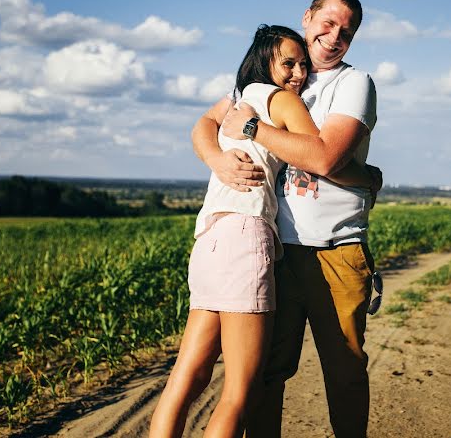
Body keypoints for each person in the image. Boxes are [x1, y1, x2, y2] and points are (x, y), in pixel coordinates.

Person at [149, 24, 376, 438]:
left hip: (209, 238)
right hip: (246, 237)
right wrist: (369, 177)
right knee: (240, 390)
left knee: (187, 376)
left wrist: (217, 156)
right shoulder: (283, 99)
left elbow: (202, 121)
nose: (297, 73)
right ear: (266, 59)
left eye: (302, 65)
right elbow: (323, 158)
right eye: (288, 63)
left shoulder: (240, 97)